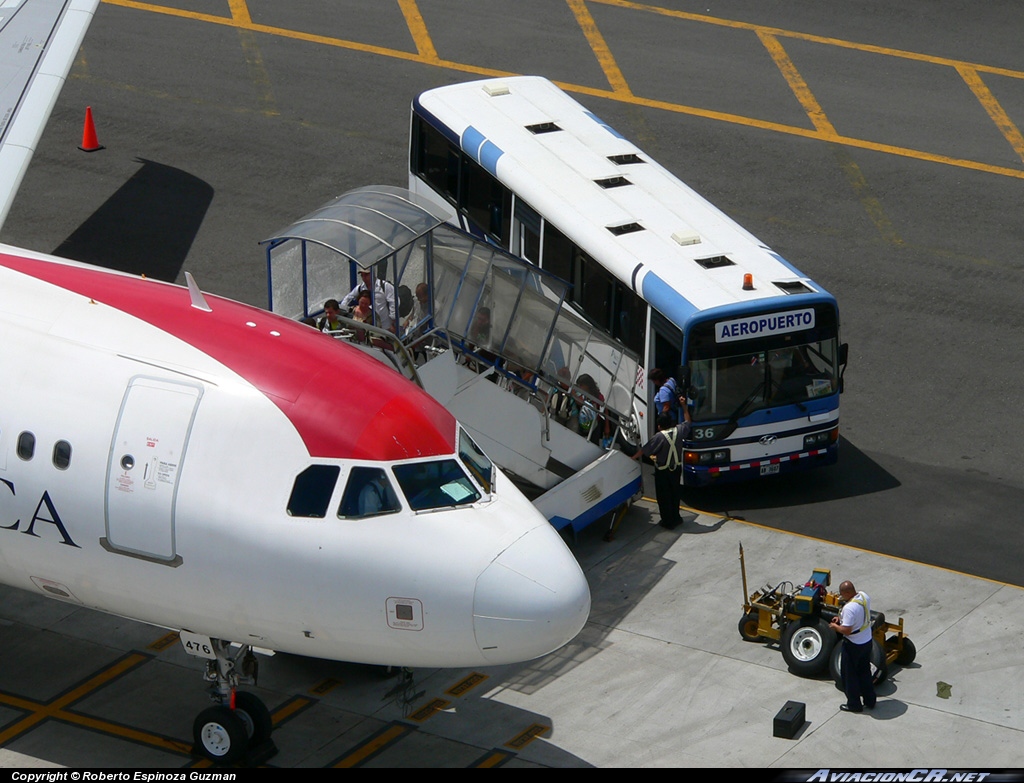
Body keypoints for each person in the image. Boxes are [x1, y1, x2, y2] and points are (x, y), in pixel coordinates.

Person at [632, 409, 691, 529]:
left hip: (663, 471)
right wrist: (684, 407)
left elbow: (645, 450)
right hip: (676, 469)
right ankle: (676, 517)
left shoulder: (659, 437)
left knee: (664, 496)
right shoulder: (679, 431)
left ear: (659, 426)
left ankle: (667, 521)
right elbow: (688, 422)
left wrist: (633, 457)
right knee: (675, 494)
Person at [829, 580, 877, 713]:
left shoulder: (849, 608)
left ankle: (854, 704)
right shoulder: (863, 596)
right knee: (864, 672)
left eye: (842, 594)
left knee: (849, 675)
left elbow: (846, 631)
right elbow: (858, 617)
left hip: (853, 645)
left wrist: (835, 626)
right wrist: (841, 620)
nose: (841, 596)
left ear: (847, 592)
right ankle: (870, 700)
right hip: (867, 641)